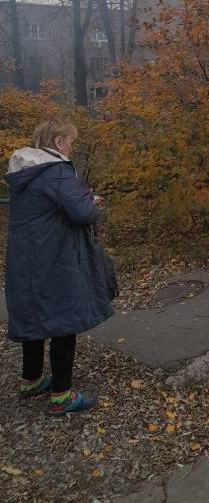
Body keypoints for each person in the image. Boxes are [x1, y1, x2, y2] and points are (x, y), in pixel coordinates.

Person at [4, 116, 113, 415]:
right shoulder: (57, 170)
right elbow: (82, 213)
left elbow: (45, 207)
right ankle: (61, 395)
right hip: (53, 256)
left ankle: (31, 380)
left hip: (25, 256)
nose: (71, 147)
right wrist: (92, 204)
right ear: (57, 141)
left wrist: (81, 199)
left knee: (35, 315)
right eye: (70, 141)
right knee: (64, 316)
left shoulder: (25, 171)